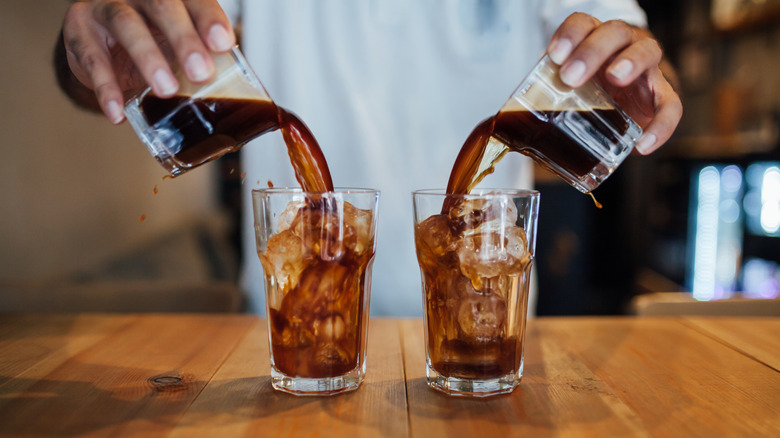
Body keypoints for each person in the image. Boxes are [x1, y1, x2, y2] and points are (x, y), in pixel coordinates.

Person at [55, 0, 682, 316]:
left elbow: (634, 53)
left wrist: (637, 75)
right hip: (279, 328)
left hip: (486, 321)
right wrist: (93, 49)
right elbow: (103, 64)